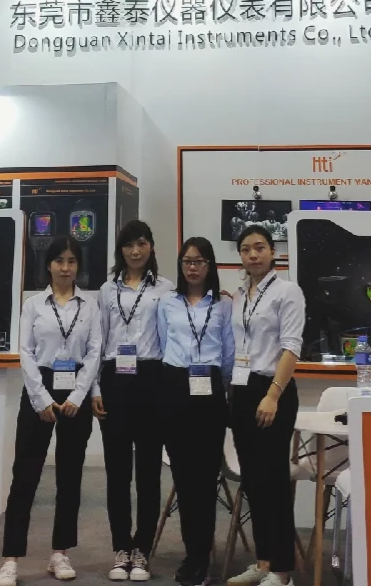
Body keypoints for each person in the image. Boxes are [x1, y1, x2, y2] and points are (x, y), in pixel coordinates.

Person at [0, 235, 103, 586]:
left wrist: (79, 395)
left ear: (78, 266)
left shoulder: (90, 306)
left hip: (75, 390)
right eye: (60, 261)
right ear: (49, 264)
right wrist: (40, 399)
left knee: (69, 477)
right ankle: (11, 558)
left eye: (72, 261)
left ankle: (60, 552)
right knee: (24, 476)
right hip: (39, 387)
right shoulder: (33, 305)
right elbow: (25, 352)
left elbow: (95, 352)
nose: (65, 267)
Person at [95, 221, 173, 582]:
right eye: (129, 245)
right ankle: (120, 547)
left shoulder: (166, 289)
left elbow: (171, 339)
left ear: (151, 247)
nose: (135, 251)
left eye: (142, 244)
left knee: (148, 472)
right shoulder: (106, 290)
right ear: (121, 249)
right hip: (115, 379)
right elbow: (98, 342)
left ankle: (142, 549)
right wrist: (95, 389)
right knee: (117, 472)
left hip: (152, 379)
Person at [227, 225, 305, 586]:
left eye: (259, 247)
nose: (253, 255)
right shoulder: (239, 295)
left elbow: (291, 347)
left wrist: (273, 394)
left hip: (273, 389)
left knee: (273, 482)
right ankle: (263, 562)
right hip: (242, 389)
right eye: (246, 249)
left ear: (273, 252)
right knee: (253, 481)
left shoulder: (287, 292)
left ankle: (283, 571)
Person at [156, 237, 235, 586]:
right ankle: (192, 553)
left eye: (199, 261)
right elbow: (163, 343)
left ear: (210, 265)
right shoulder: (167, 303)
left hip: (210, 392)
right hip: (175, 388)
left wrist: (223, 388)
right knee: (185, 480)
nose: (192, 267)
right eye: (187, 261)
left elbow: (229, 353)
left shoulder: (223, 304)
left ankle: (202, 558)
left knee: (205, 481)